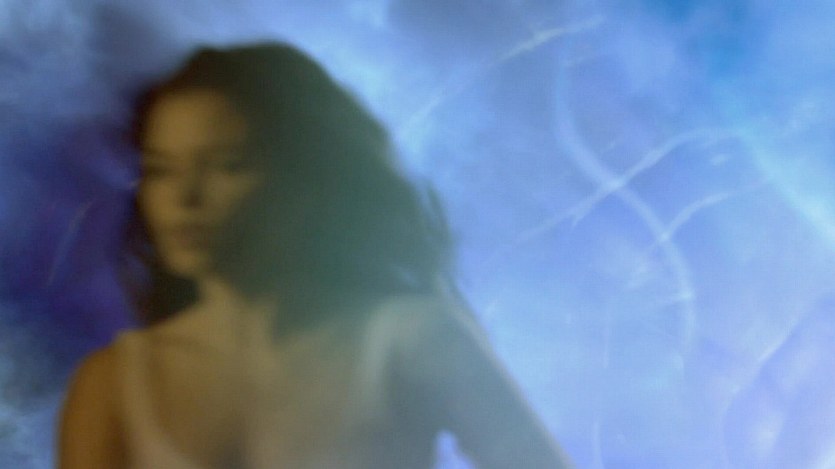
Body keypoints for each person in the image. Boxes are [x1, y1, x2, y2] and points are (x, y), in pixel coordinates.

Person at [58, 42, 573, 469]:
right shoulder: (115, 385)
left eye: (227, 165)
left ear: (297, 177)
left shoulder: (410, 343)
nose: (183, 199)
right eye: (161, 170)